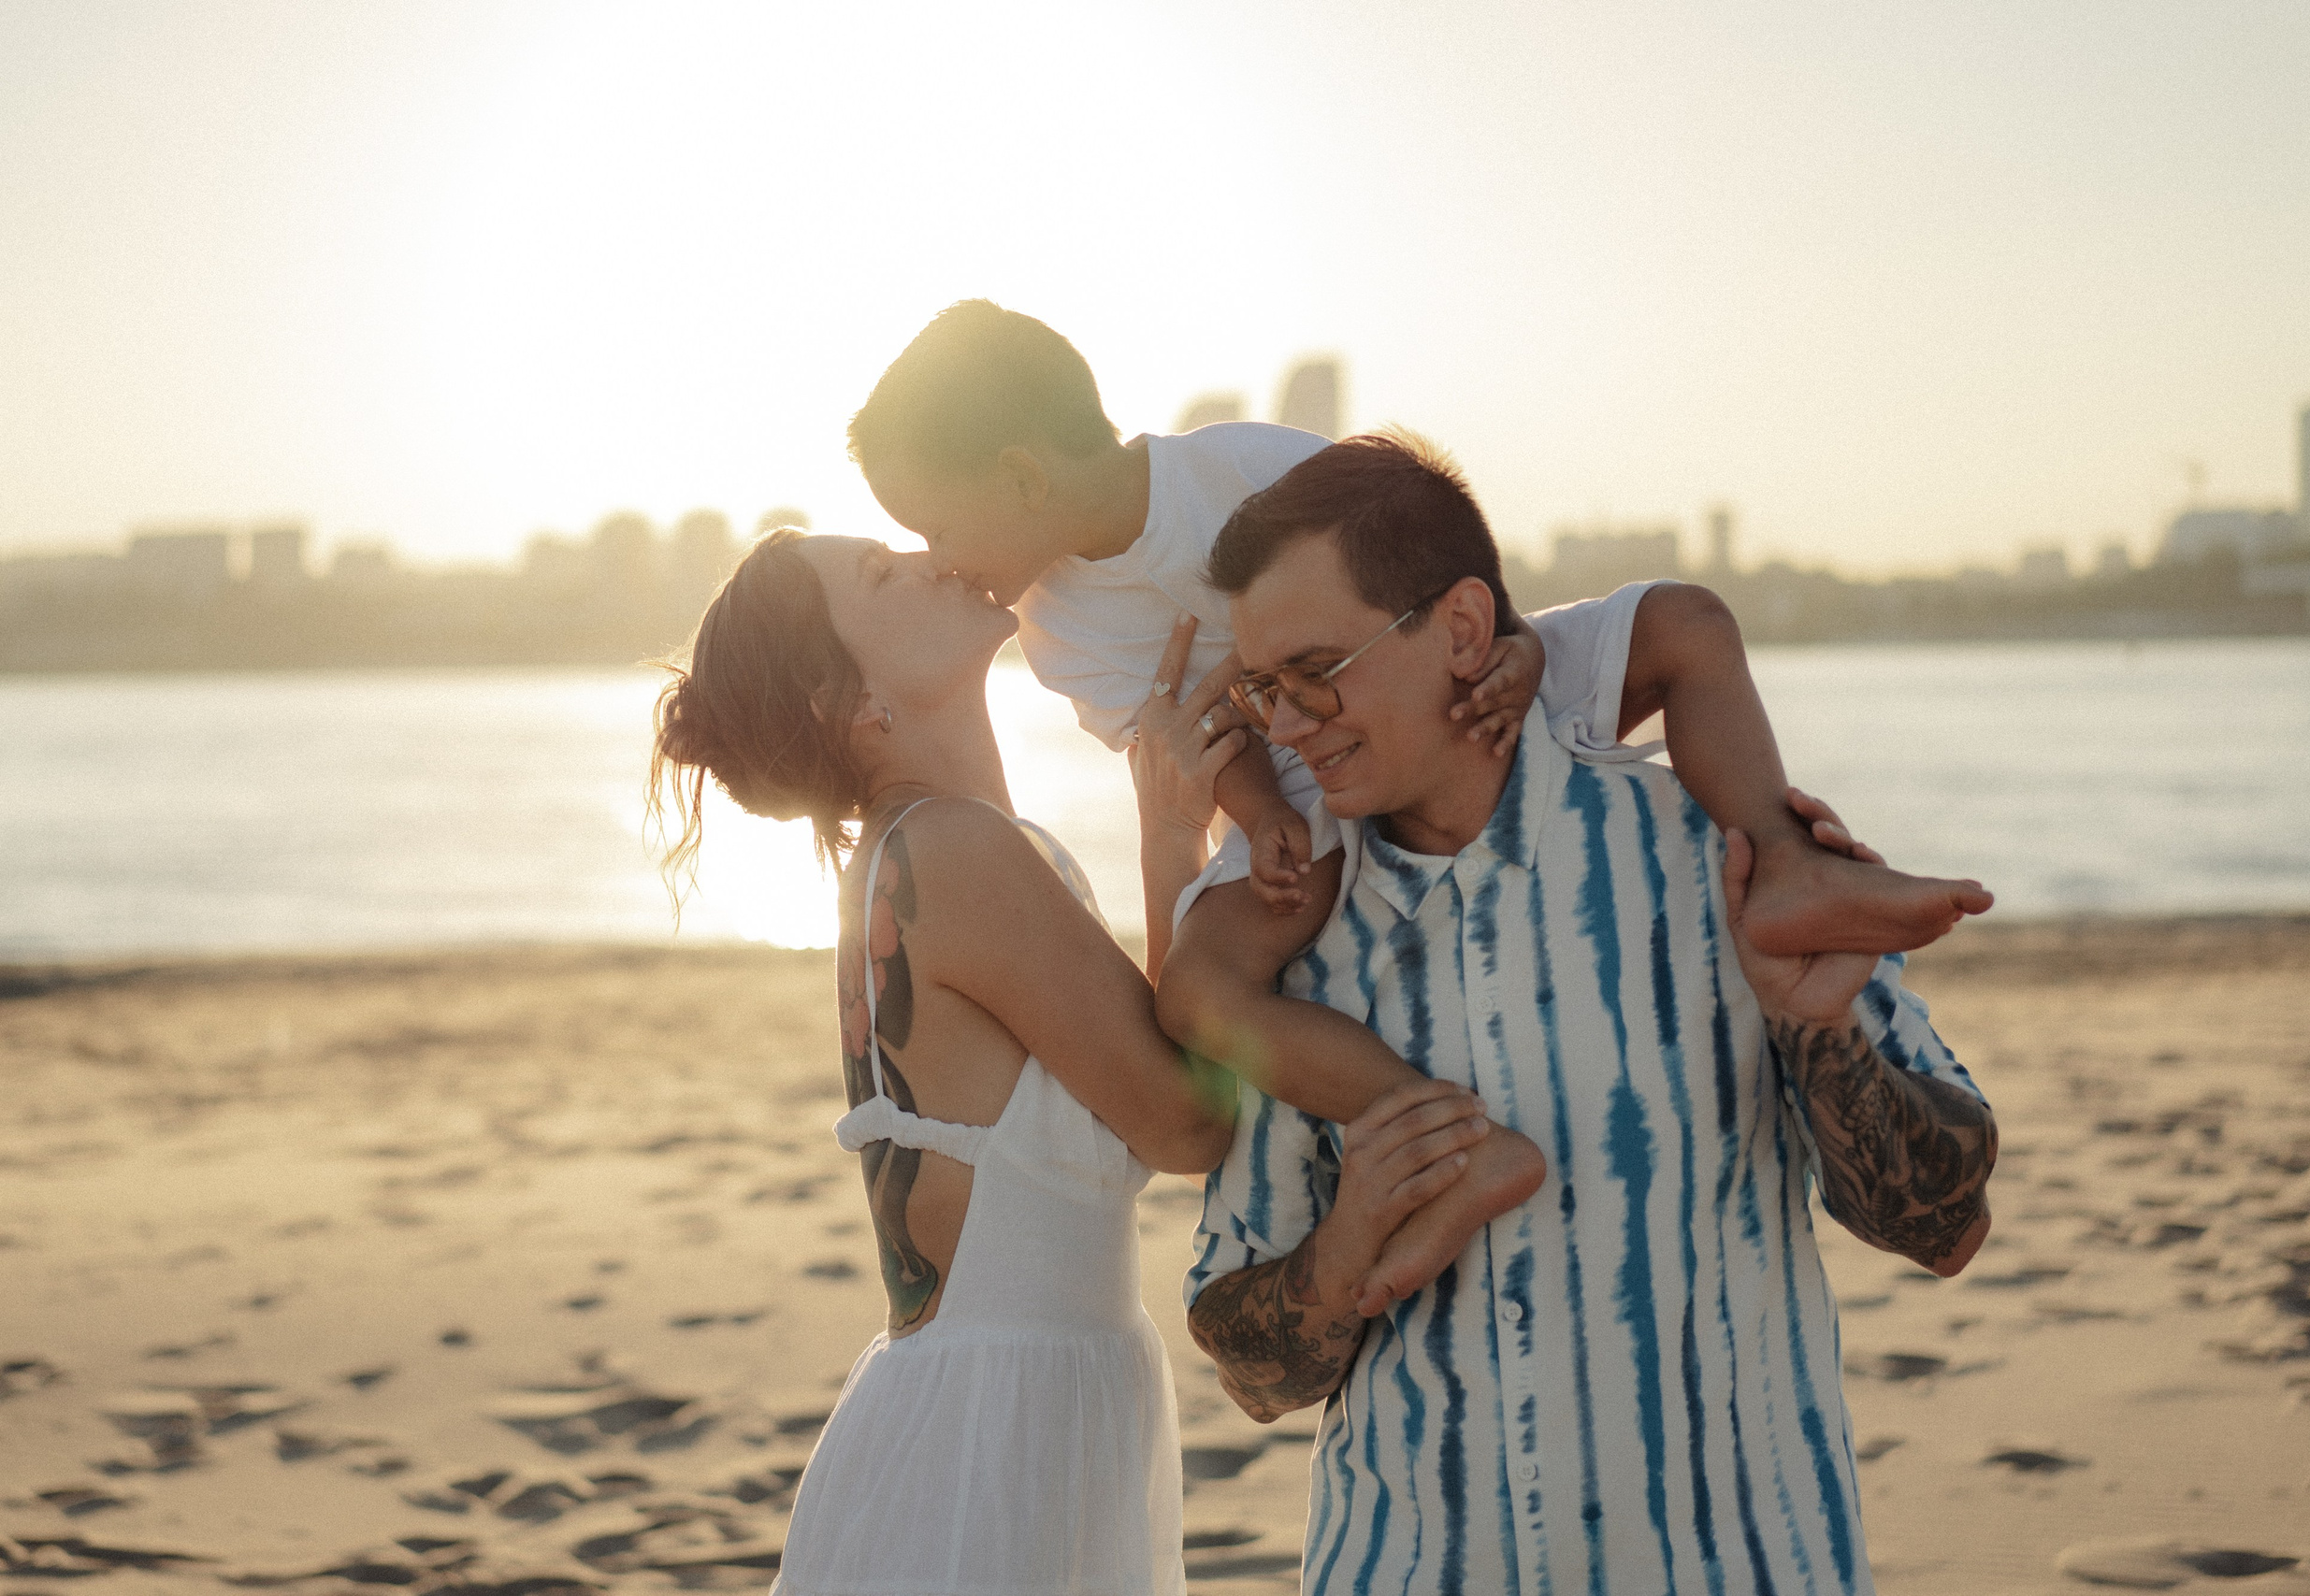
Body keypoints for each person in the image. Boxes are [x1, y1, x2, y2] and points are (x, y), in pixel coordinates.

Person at [847, 300, 1993, 1316]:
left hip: (1454, 686)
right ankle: (1436, 1128)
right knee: (1196, 991)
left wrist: (1513, 648)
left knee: (1686, 624)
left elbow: (1420, 553)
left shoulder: (1247, 466)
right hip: (1294, 793)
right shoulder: (1057, 630)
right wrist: (1261, 810)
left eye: (935, 526)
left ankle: (1785, 865)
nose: (935, 559)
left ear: (1022, 477)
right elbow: (1178, 737)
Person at [1180, 434, 2000, 1595]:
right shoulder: (1286, 954)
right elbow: (1252, 1375)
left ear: (1463, 629)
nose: (1288, 726)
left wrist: (1823, 1039)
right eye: (1263, 689)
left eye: (1317, 671)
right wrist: (1345, 1245)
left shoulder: (1723, 861)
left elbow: (1945, 1230)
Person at [647, 528, 1241, 1596]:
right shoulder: (955, 853)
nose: (927, 558)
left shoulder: (935, 847)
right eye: (882, 575)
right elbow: (1187, 1120)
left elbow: (1146, 1074)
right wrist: (1168, 837)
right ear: (854, 704)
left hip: (990, 1413)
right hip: (995, 1440)